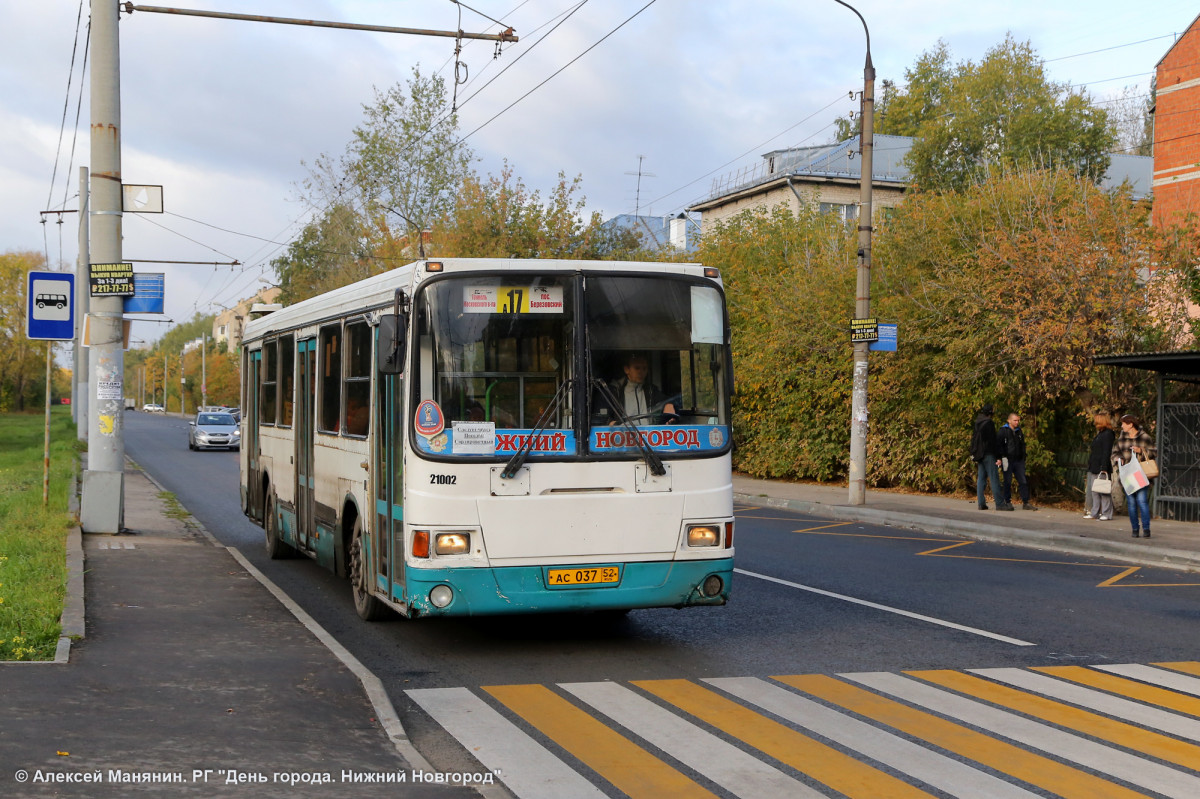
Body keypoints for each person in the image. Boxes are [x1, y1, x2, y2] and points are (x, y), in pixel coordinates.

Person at [1112, 413, 1156, 538]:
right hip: (1127, 475)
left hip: (1141, 474)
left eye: (1123, 424)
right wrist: (1118, 459)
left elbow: (1154, 452)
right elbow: (1114, 453)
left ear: (1130, 424)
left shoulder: (1145, 437)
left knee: (1142, 501)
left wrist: (1141, 450)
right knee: (1131, 503)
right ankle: (1135, 529)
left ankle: (1146, 529)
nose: (1121, 426)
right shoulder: (1122, 438)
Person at [606, 352, 678, 426]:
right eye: (637, 368)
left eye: (644, 368)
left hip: (648, 435)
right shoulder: (613, 391)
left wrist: (668, 404)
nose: (641, 372)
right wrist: (613, 424)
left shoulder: (651, 391)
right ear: (626, 369)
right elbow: (602, 418)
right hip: (624, 435)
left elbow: (667, 400)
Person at [996, 412, 1037, 511]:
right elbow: (998, 445)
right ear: (1009, 420)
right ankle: (1007, 501)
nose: (1017, 422)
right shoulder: (1003, 431)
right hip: (1007, 459)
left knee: (1023, 481)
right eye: (1015, 420)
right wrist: (999, 458)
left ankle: (1026, 502)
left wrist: (1023, 456)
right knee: (1007, 481)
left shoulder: (1019, 431)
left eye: (1018, 420)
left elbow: (1022, 444)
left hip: (1018, 460)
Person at [971, 403, 1006, 510]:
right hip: (989, 454)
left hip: (979, 454)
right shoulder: (989, 423)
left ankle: (981, 503)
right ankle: (999, 504)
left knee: (981, 478)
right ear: (991, 411)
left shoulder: (978, 422)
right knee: (994, 478)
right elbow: (992, 442)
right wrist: (998, 456)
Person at [1084, 412, 1116, 521]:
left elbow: (1106, 452)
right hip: (1094, 465)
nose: (1095, 423)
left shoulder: (1108, 434)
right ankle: (1095, 512)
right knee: (1095, 491)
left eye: (1097, 421)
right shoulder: (1100, 433)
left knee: (1103, 490)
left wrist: (1104, 467)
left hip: (1102, 466)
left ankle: (1106, 513)